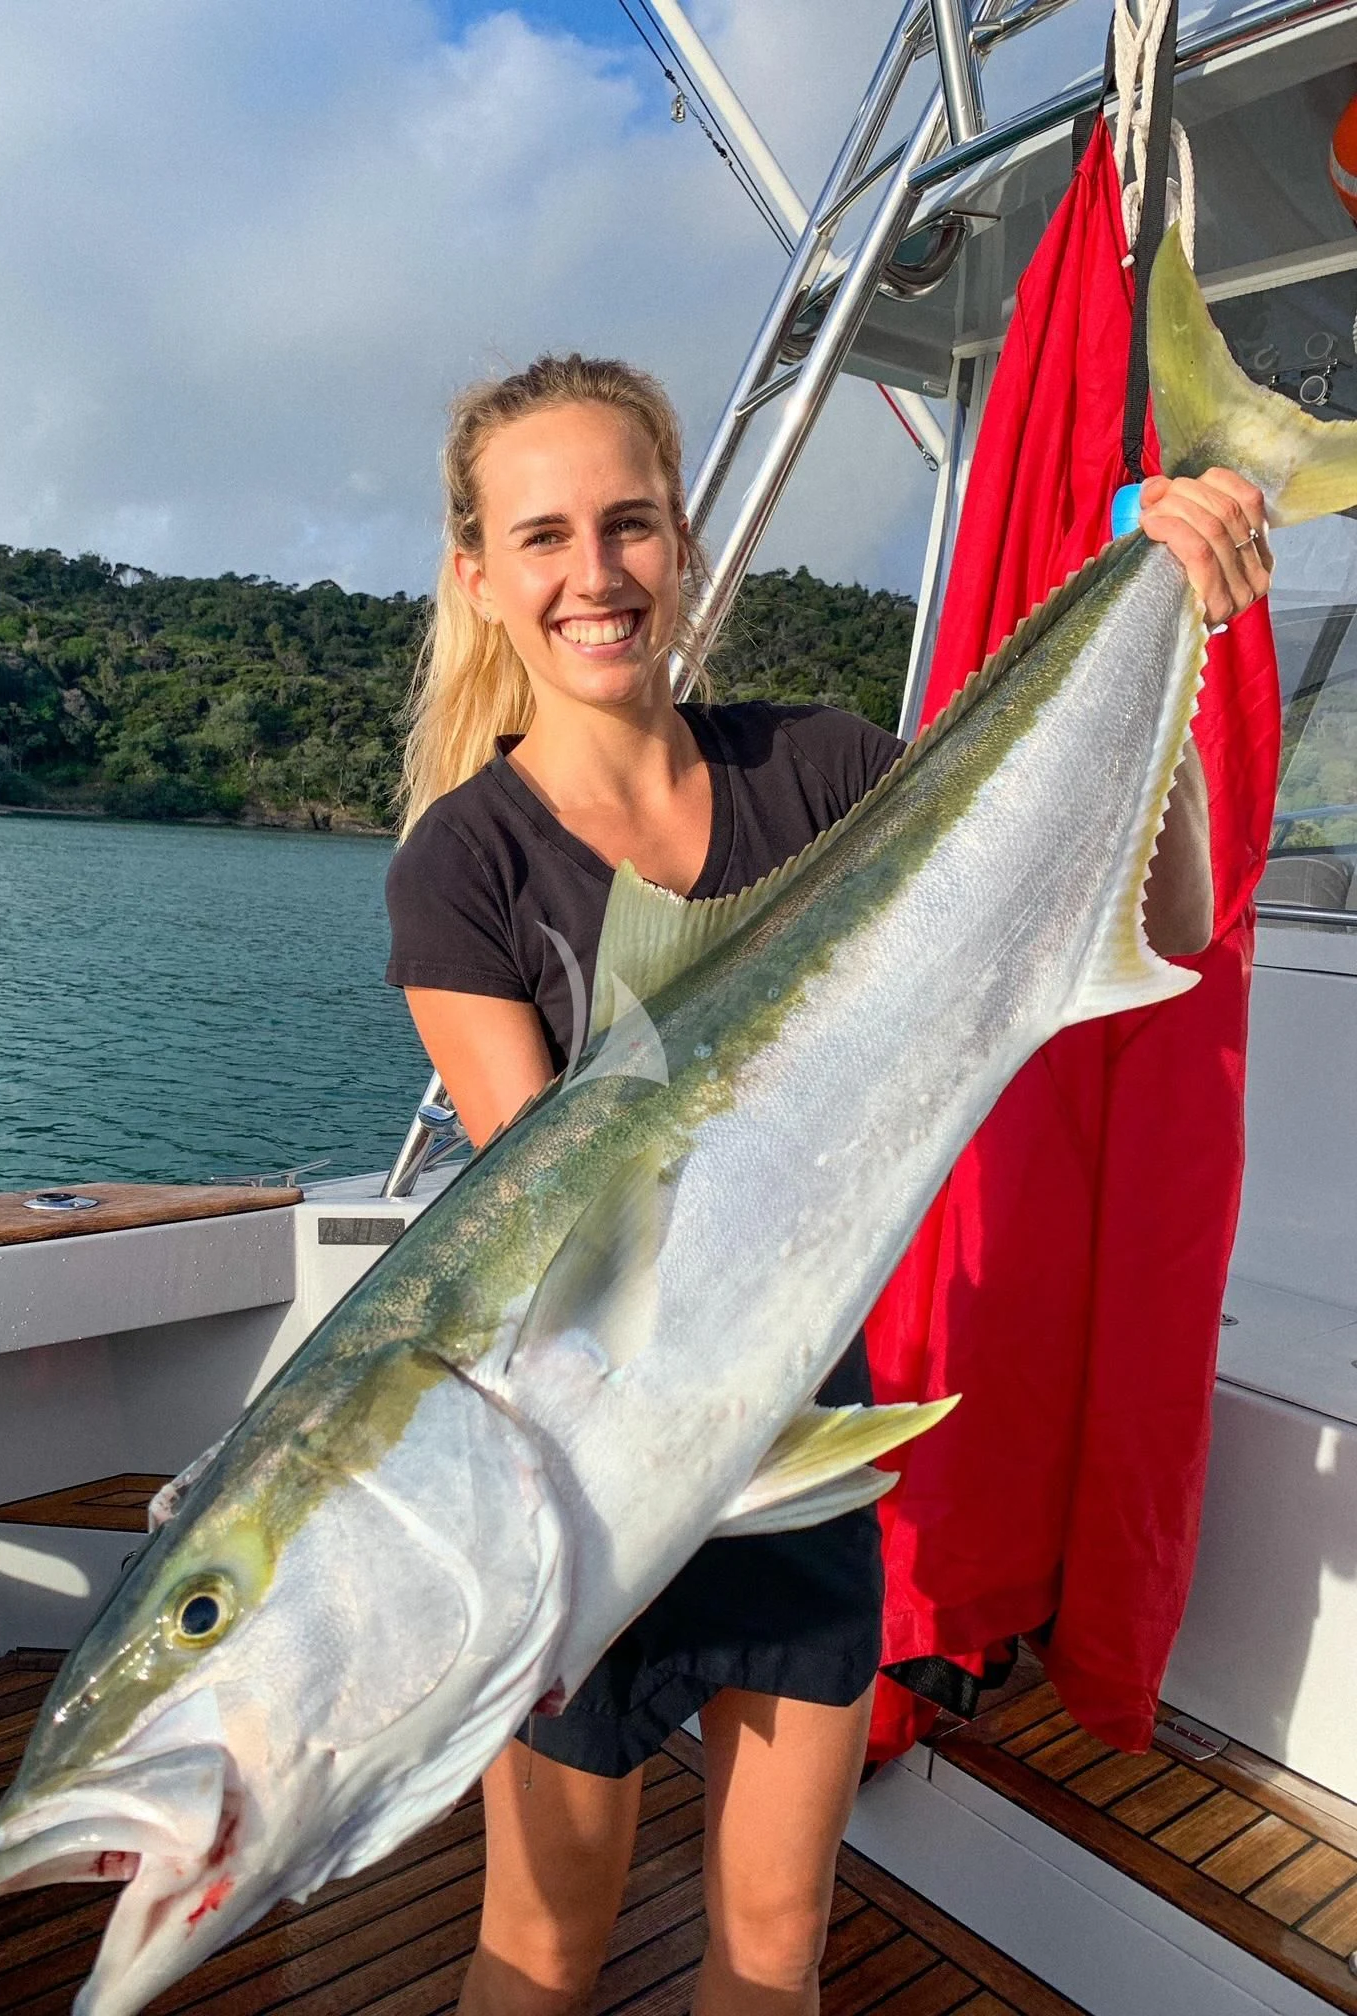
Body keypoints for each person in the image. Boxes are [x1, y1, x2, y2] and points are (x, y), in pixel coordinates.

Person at [384, 354, 1271, 2016]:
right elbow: (547, 1232)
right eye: (549, 535)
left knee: (776, 1953)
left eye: (632, 523)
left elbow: (1157, 925)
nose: (597, 575)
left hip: (803, 1453)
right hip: (583, 1489)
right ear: (481, 576)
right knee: (539, 1949)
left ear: (686, 540)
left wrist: (1176, 630)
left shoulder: (826, 769)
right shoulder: (467, 865)